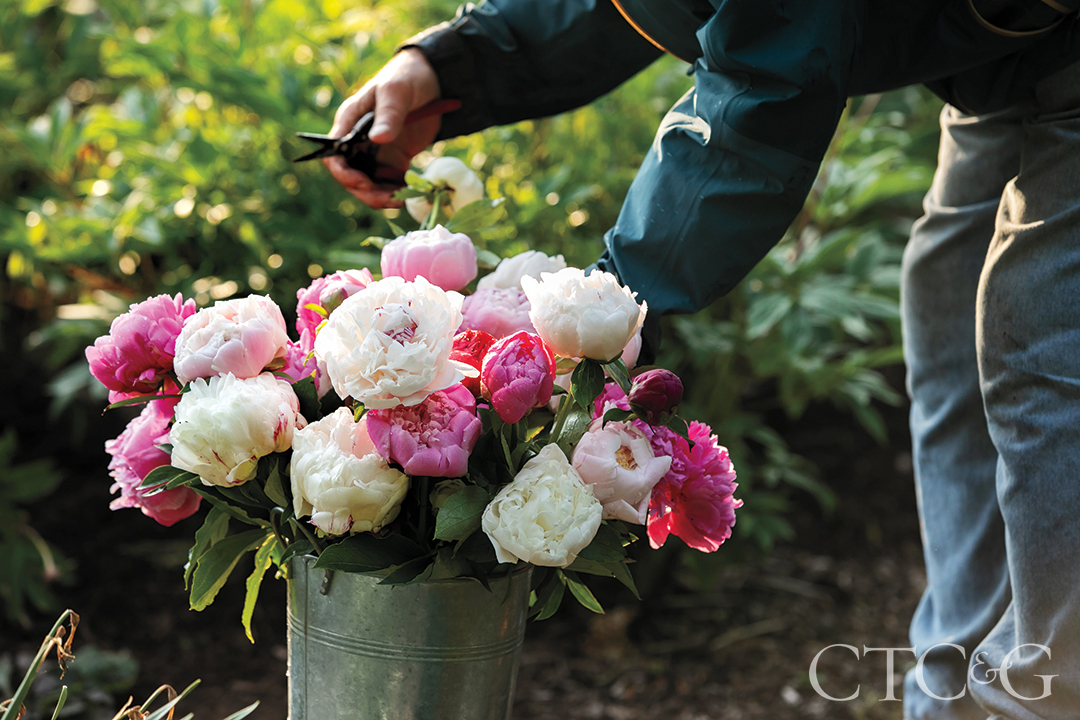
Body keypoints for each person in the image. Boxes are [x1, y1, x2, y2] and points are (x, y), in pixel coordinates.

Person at [322, 1, 1080, 717]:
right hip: (998, 49)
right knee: (952, 323)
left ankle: (1046, 696)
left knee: (1045, 359)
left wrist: (597, 315)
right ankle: (948, 694)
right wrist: (452, 64)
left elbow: (774, 64)